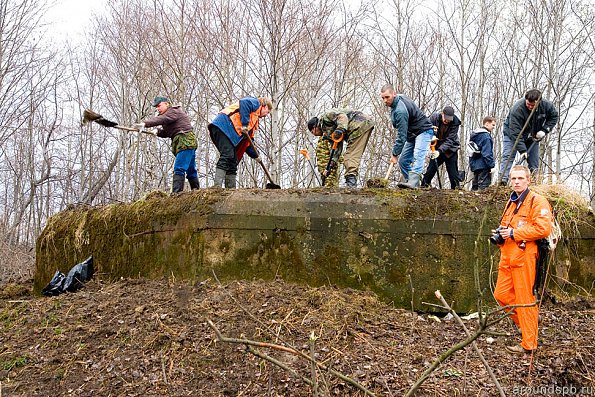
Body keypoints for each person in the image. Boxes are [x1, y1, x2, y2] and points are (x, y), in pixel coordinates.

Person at [493, 165, 552, 354]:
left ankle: (529, 343)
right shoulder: (511, 201)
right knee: (501, 295)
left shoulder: (537, 201)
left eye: (520, 178)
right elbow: (506, 225)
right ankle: (529, 322)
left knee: (524, 299)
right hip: (507, 256)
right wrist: (501, 234)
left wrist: (514, 233)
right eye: (513, 179)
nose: (516, 182)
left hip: (524, 256)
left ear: (528, 180)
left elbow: (543, 229)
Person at [136, 96, 198, 193]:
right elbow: (168, 132)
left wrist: (145, 123)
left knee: (179, 168)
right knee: (191, 170)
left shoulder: (173, 111)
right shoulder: (169, 117)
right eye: (156, 107)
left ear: (166, 104)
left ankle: (177, 194)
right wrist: (158, 131)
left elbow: (161, 119)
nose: (158, 108)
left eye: (159, 106)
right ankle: (196, 192)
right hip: (185, 143)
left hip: (185, 142)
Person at [208, 96, 273, 188]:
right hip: (224, 126)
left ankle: (230, 189)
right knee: (227, 155)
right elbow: (244, 103)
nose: (266, 115)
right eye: (268, 112)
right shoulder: (256, 103)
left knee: (233, 160)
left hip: (229, 134)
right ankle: (217, 186)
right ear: (265, 106)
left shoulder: (254, 120)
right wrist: (245, 125)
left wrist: (256, 155)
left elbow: (248, 143)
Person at [499, 89, 558, 185]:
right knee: (508, 156)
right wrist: (522, 150)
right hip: (512, 135)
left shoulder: (547, 106)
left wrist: (544, 130)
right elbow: (515, 132)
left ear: (539, 102)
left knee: (534, 162)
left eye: (532, 105)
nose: (530, 106)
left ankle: (534, 183)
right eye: (528, 104)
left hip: (532, 136)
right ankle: (503, 181)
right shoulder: (518, 109)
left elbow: (554, 117)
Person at [380, 84, 434, 189]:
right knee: (403, 161)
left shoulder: (400, 111)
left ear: (394, 94)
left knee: (418, 154)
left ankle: (413, 182)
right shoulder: (398, 101)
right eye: (383, 98)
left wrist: (395, 154)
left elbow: (401, 135)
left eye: (387, 97)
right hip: (413, 134)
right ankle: (413, 183)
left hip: (423, 131)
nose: (385, 101)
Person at [307, 109, 374, 188]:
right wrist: (330, 165)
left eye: (312, 132)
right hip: (361, 127)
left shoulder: (326, 117)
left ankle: (351, 184)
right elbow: (336, 149)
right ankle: (351, 181)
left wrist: (340, 129)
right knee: (351, 155)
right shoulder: (328, 133)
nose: (315, 135)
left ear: (315, 127)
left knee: (350, 156)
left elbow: (342, 117)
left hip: (359, 125)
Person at [421, 106, 461, 189]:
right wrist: (431, 138)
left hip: (450, 150)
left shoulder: (455, 123)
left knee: (453, 175)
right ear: (442, 114)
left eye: (449, 119)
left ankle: (456, 191)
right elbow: (427, 130)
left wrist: (439, 151)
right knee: (430, 170)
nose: (447, 121)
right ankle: (423, 186)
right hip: (436, 147)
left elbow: (450, 140)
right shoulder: (434, 118)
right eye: (445, 118)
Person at [469, 116, 497, 190]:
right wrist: (491, 166)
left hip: (475, 166)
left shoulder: (475, 135)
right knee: (483, 190)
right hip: (484, 166)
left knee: (474, 189)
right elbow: (487, 153)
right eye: (493, 125)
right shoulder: (486, 137)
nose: (494, 127)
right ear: (487, 124)